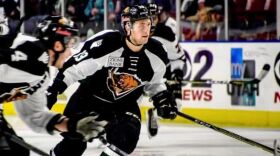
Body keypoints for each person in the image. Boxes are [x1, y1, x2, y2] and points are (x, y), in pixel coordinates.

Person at [47, 4, 178, 156]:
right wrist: (53, 90)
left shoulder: (157, 53)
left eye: (148, 24)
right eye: (141, 24)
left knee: (126, 138)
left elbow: (153, 83)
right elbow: (74, 69)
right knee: (73, 146)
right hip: (89, 99)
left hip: (124, 105)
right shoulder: (106, 43)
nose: (146, 29)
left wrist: (162, 97)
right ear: (128, 26)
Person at [0, 15, 107, 156]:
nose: (71, 52)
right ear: (58, 45)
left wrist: (71, 125)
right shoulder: (32, 51)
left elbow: (35, 116)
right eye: (69, 44)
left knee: (18, 151)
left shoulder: (41, 77)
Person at [145, 3, 187, 138]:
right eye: (148, 18)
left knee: (176, 106)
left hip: (163, 74)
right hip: (139, 75)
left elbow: (179, 58)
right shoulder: (132, 32)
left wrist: (177, 73)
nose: (151, 22)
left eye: (154, 18)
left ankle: (155, 115)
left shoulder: (166, 33)